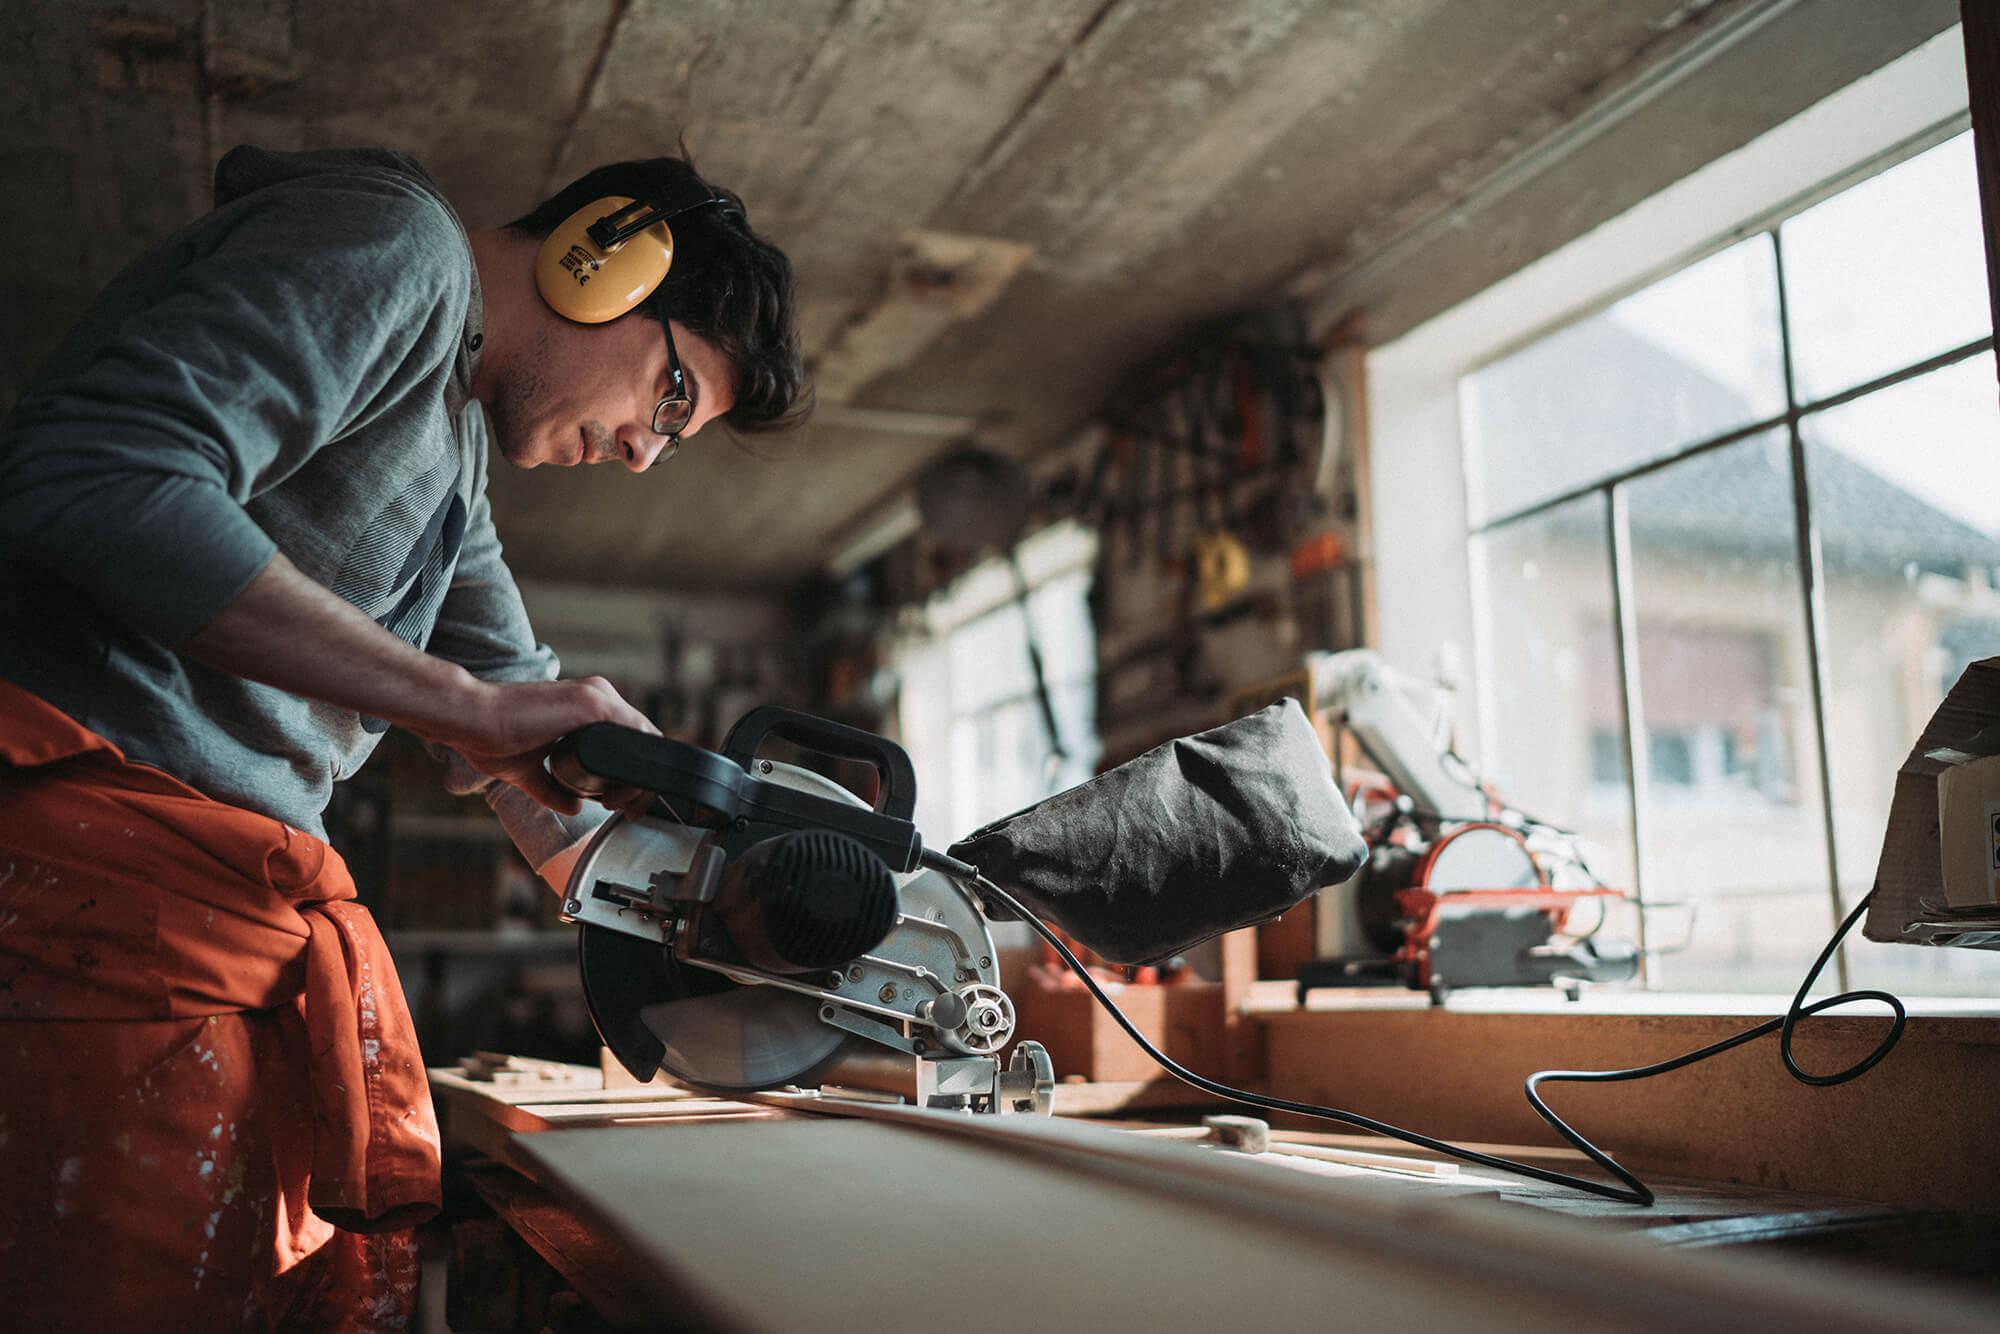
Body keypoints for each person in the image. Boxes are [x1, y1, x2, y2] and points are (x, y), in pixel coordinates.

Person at [0, 144, 808, 1331]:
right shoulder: (396, 248)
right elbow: (98, 474)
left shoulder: (457, 450)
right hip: (87, 887)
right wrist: (476, 714)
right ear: (610, 258)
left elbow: (517, 703)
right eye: (670, 397)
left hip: (191, 925)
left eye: (673, 440)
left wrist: (690, 902)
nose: (644, 450)